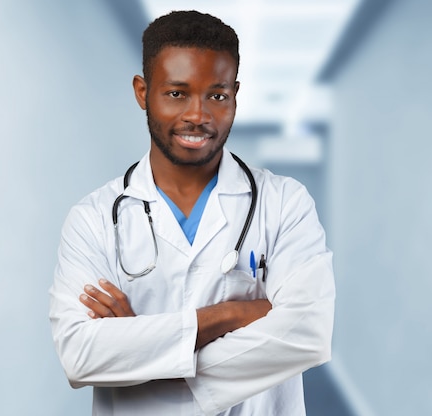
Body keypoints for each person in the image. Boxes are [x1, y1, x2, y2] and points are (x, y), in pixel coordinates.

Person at [49, 10, 335, 416]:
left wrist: (138, 347)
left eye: (216, 95)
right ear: (142, 91)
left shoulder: (285, 202)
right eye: (177, 93)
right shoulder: (93, 219)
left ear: (235, 94)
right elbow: (80, 355)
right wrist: (231, 314)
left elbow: (308, 334)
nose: (198, 115)